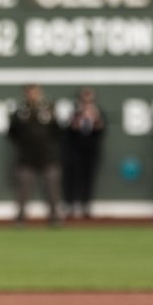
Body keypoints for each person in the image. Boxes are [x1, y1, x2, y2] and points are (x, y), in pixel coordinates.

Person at [8, 84, 63, 226]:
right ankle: (20, 219)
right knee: (23, 192)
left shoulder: (49, 109)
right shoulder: (20, 111)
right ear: (25, 94)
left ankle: (55, 218)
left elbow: (57, 132)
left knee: (52, 191)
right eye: (29, 93)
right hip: (26, 158)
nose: (32, 95)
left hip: (48, 157)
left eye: (34, 92)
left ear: (40, 93)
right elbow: (12, 133)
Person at [62, 87, 106, 219]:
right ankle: (70, 205)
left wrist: (96, 121)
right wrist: (75, 124)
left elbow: (102, 131)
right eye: (84, 97)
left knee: (88, 179)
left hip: (91, 152)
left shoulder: (98, 113)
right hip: (75, 152)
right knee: (72, 179)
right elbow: (67, 132)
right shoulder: (74, 113)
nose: (87, 101)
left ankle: (86, 205)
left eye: (89, 97)